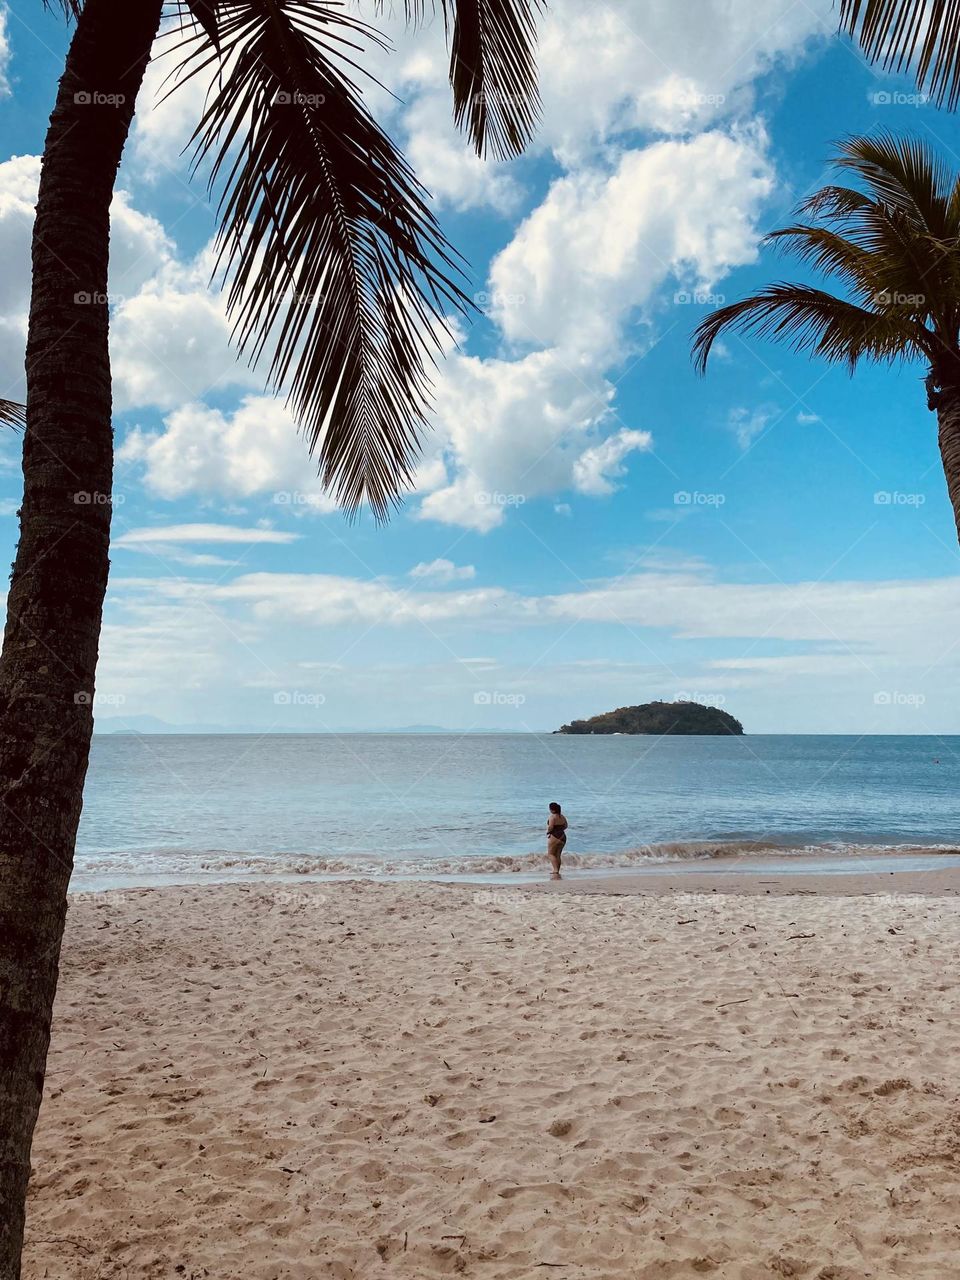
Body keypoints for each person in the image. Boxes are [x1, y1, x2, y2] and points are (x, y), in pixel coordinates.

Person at [546, 801, 568, 880]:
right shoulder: (562, 816)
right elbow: (566, 826)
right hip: (563, 836)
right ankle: (557, 870)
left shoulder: (552, 817)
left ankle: (555, 870)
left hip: (555, 836)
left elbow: (551, 827)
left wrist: (548, 832)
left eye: (550, 809)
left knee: (550, 854)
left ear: (553, 810)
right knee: (558, 854)